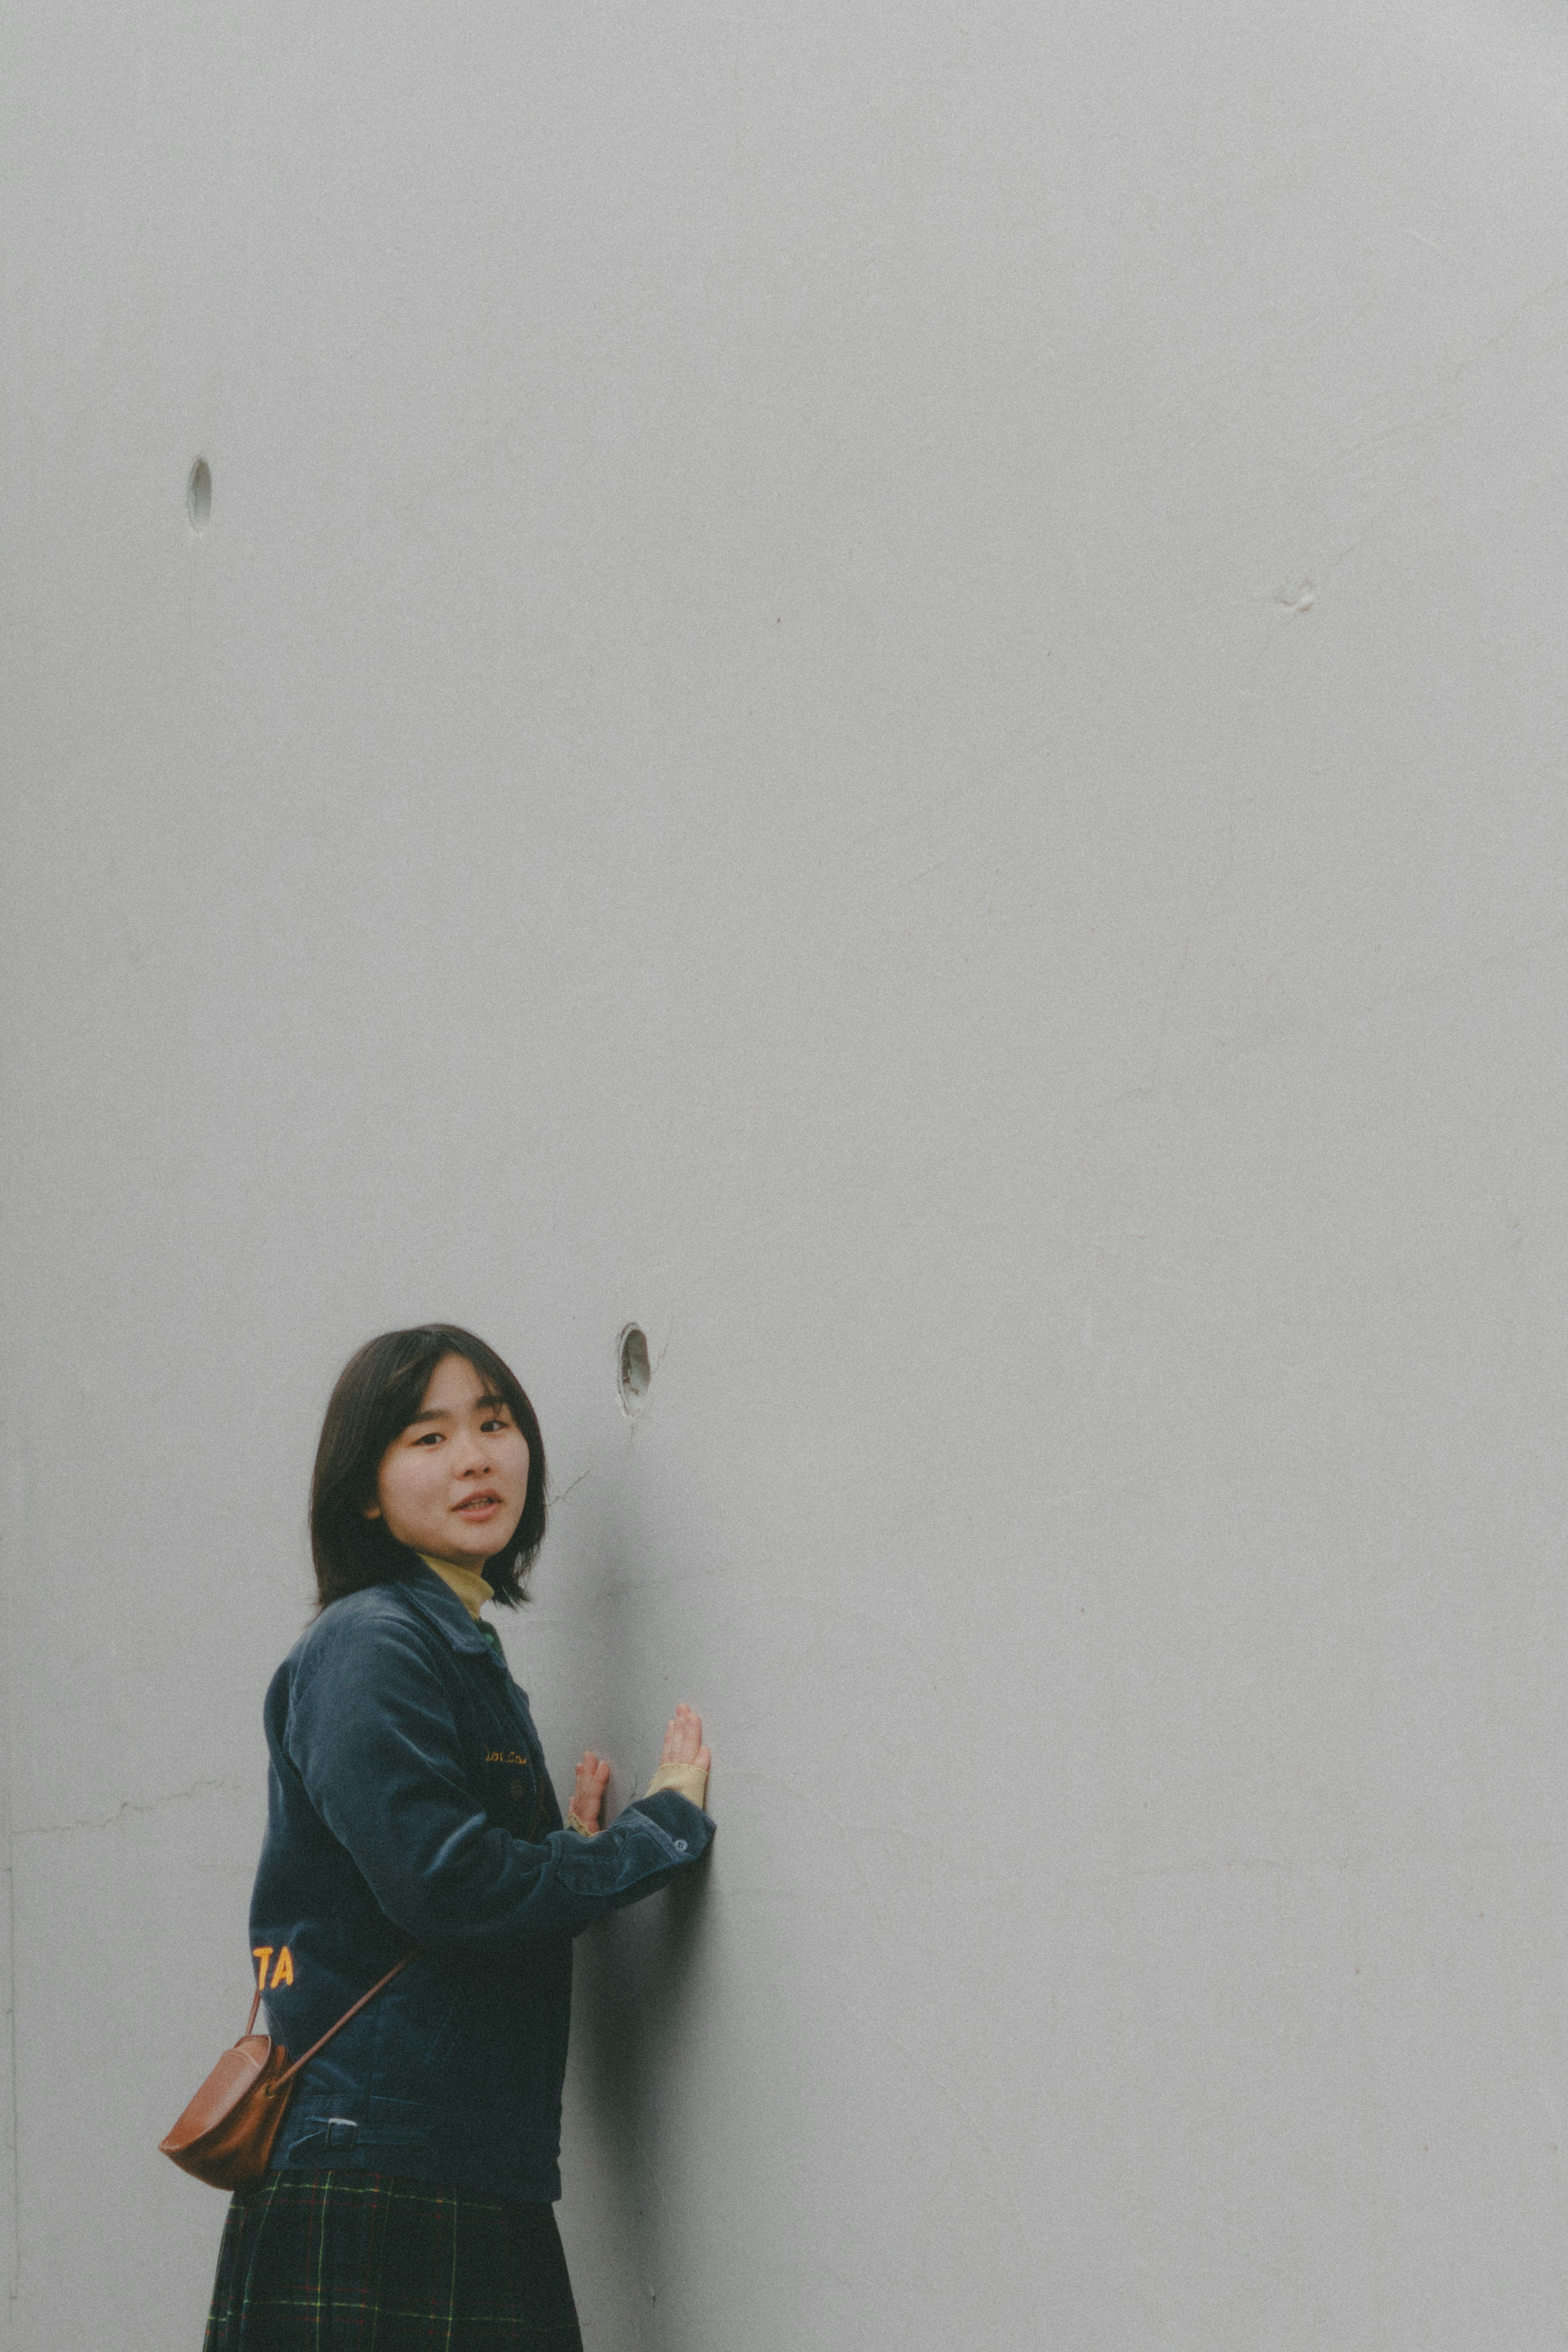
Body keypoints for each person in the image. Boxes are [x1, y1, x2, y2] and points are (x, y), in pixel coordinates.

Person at [203, 1323, 714, 2351]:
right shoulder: (371, 1642)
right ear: (364, 1487)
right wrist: (656, 1833)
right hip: (386, 2177)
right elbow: (449, 1886)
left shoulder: (451, 1640)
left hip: (451, 2162)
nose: (477, 1456)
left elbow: (444, 1880)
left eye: (493, 1422)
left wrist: (560, 1840)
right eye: (426, 1438)